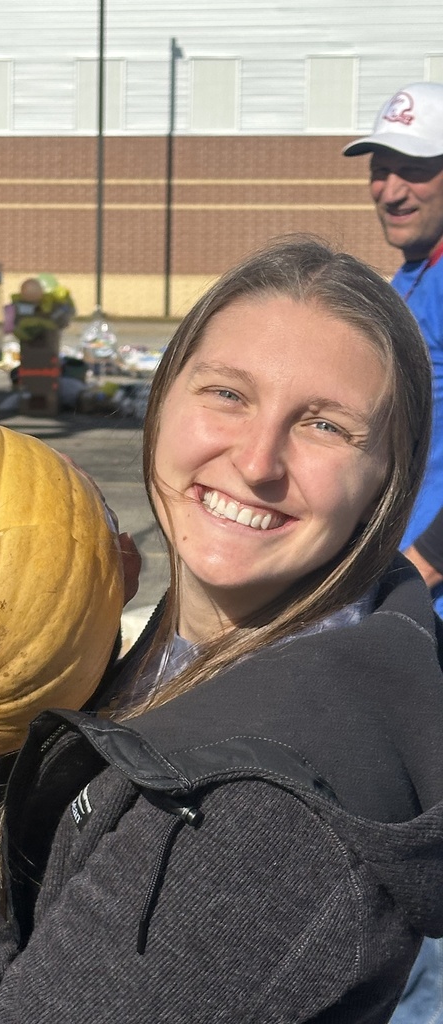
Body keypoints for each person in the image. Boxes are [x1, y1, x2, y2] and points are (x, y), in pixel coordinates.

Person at [0, 236, 443, 1023]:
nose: (256, 462)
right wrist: (63, 643)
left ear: (388, 478)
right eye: (227, 394)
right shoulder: (225, 644)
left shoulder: (265, 811)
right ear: (164, 399)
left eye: (324, 425)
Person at [344, 83, 443, 1024]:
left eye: (413, 166)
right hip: (396, 608)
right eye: (380, 166)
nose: (389, 186)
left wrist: (428, 561)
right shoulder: (409, 278)